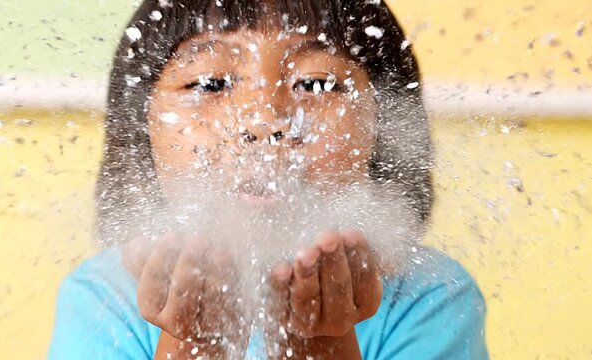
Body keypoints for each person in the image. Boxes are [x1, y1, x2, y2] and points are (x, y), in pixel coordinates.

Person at [49, 0, 488, 359]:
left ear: (386, 127)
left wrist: (319, 345)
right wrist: (196, 343)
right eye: (211, 82)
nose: (264, 121)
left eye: (314, 85)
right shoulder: (106, 297)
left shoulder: (429, 295)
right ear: (141, 126)